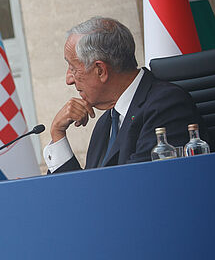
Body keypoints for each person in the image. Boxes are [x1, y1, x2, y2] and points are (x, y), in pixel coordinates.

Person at [44, 17, 201, 173]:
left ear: (100, 70)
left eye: (73, 68)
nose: (68, 80)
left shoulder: (166, 106)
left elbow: (135, 184)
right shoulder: (105, 123)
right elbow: (84, 189)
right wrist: (58, 135)